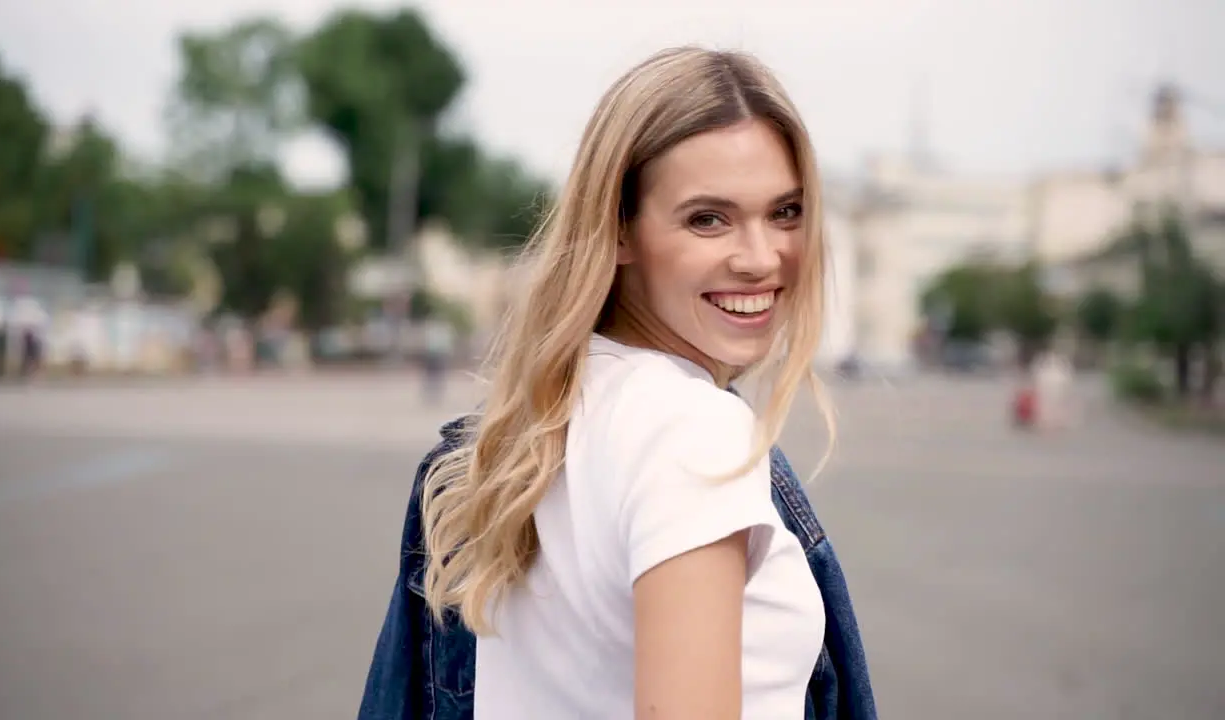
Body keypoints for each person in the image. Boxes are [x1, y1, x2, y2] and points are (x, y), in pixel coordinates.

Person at [359, 46, 876, 720]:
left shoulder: (542, 425)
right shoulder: (693, 433)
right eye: (707, 218)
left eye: (785, 212)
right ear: (618, 228)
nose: (760, 257)